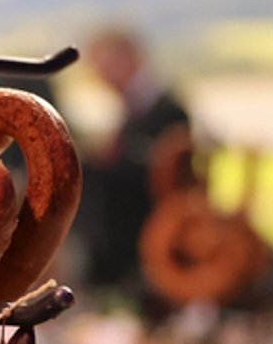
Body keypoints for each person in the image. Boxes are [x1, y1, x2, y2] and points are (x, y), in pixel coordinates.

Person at [77, 28, 191, 298]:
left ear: (127, 58)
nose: (100, 77)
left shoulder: (165, 110)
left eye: (103, 66)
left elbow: (154, 171)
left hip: (142, 233)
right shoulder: (136, 106)